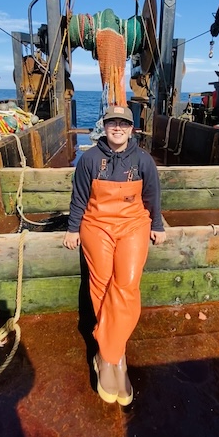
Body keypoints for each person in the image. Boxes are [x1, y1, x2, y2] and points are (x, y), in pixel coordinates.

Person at [63, 105, 166, 405]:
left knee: (127, 284)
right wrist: (72, 229)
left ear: (132, 129)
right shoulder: (89, 160)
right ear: (104, 127)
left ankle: (106, 352)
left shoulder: (144, 161)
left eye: (123, 123)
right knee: (101, 282)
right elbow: (79, 197)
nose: (117, 128)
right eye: (112, 123)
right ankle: (115, 358)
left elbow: (152, 196)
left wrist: (157, 224)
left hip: (133, 225)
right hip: (97, 225)